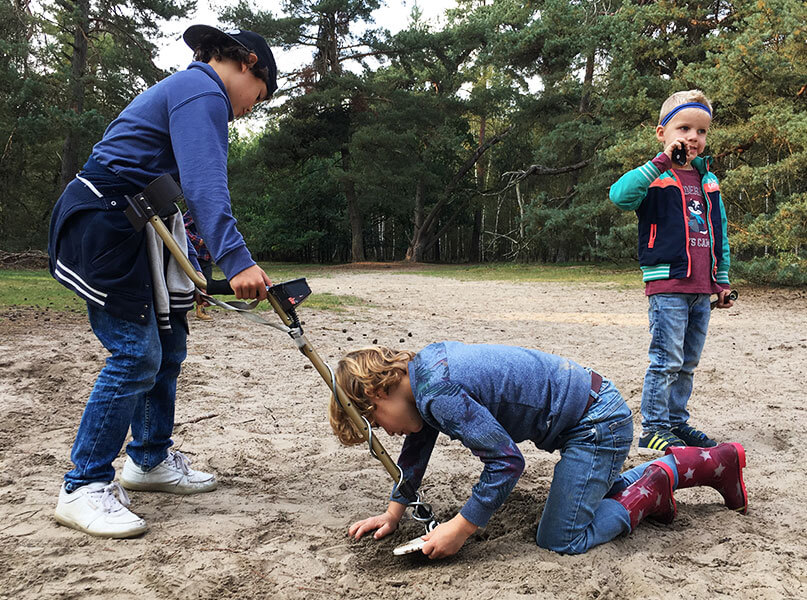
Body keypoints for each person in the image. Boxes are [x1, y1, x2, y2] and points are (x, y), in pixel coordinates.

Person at [47, 25, 277, 538]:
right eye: (257, 99)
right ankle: (82, 486)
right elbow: (204, 184)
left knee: (169, 344)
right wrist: (237, 260)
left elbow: (178, 195)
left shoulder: (191, 92)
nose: (248, 111)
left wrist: (197, 266)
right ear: (247, 64)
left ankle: (148, 460)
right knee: (136, 353)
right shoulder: (203, 91)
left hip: (140, 222)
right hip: (104, 223)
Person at [328, 343, 747, 558]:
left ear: (377, 392)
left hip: (598, 424)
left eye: (376, 423)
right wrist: (394, 511)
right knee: (585, 496)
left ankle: (657, 483)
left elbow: (507, 462)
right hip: (592, 411)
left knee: (561, 538)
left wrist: (460, 527)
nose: (389, 433)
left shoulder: (438, 393)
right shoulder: (423, 375)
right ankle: (714, 461)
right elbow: (420, 440)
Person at [609, 90, 734, 454]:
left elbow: (719, 232)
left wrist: (721, 279)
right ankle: (654, 427)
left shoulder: (708, 180)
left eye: (702, 131)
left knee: (688, 362)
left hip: (701, 287)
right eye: (685, 128)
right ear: (662, 132)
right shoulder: (655, 175)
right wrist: (660, 162)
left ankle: (677, 422)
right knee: (666, 360)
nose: (694, 137)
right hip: (668, 283)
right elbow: (619, 196)